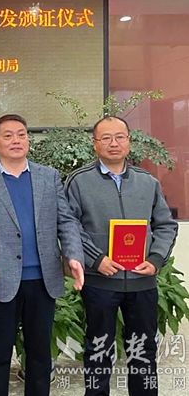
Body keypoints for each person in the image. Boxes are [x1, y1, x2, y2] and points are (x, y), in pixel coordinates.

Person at [0, 114, 85, 396]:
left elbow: (66, 220)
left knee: (40, 355)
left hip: (43, 279)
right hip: (1, 278)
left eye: (21, 134)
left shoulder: (48, 177)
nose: (16, 140)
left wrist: (73, 256)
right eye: (8, 135)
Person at [64, 116, 178, 396]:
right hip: (100, 281)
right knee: (98, 349)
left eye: (119, 137)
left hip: (142, 282)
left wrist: (155, 260)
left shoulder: (147, 182)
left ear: (129, 141)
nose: (113, 143)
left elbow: (165, 225)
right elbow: (68, 226)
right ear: (95, 144)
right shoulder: (79, 182)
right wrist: (96, 259)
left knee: (143, 351)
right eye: (106, 138)